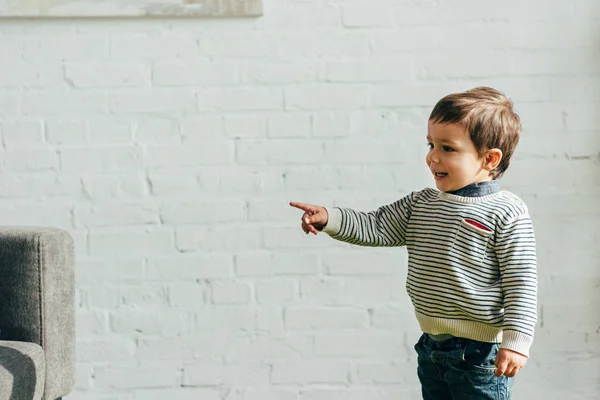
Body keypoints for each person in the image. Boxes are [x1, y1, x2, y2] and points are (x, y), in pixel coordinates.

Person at [289, 87, 537, 400]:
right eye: (431, 144)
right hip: (432, 346)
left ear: (489, 159)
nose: (432, 156)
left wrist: (516, 343)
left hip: (479, 354)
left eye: (448, 148)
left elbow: (522, 283)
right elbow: (376, 226)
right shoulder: (421, 204)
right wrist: (329, 218)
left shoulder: (507, 212)